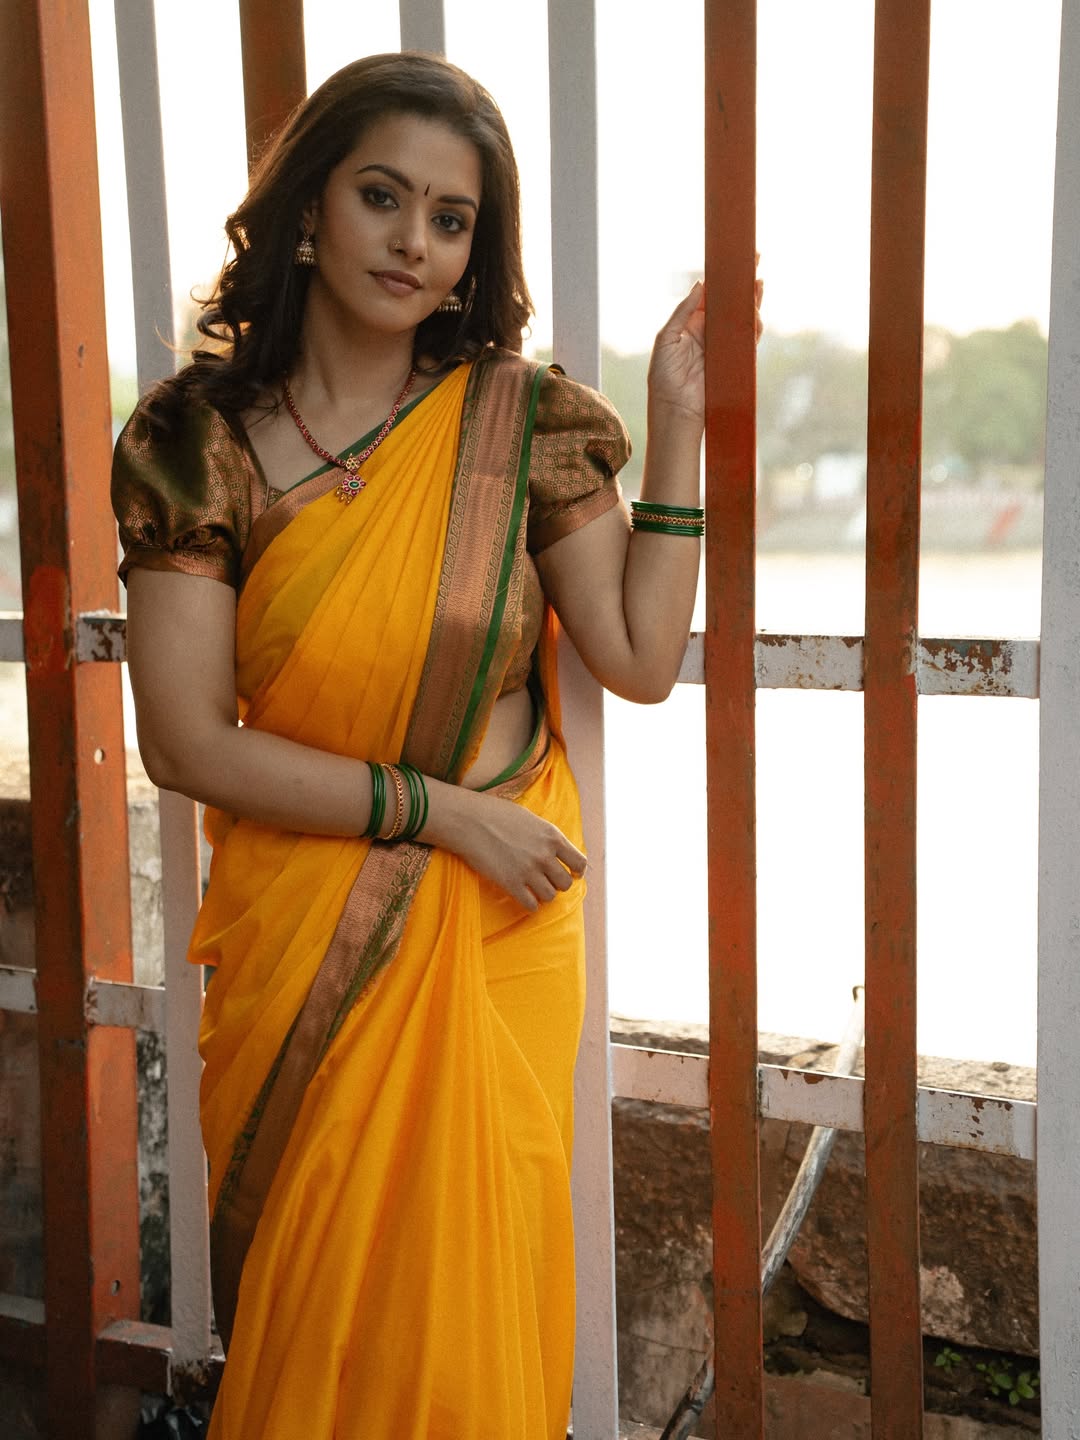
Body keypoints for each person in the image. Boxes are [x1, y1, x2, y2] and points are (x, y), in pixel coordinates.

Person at [113, 51, 757, 1440]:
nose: (414, 240)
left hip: (494, 935)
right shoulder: (195, 442)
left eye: (451, 219)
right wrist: (444, 814)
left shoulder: (522, 425)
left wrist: (683, 423)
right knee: (319, 1323)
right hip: (312, 927)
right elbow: (184, 743)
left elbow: (639, 659)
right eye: (382, 196)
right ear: (306, 210)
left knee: (469, 1333)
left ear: (474, 254)